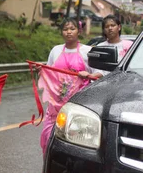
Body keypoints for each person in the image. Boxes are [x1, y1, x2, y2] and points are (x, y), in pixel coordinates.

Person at [39, 18, 102, 152]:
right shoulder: (55, 50)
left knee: (75, 141)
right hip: (55, 105)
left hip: (78, 104)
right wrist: (41, 70)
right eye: (65, 29)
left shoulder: (87, 51)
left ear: (79, 31)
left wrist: (87, 74)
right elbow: (49, 72)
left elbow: (100, 73)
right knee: (48, 138)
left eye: (72, 29)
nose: (68, 32)